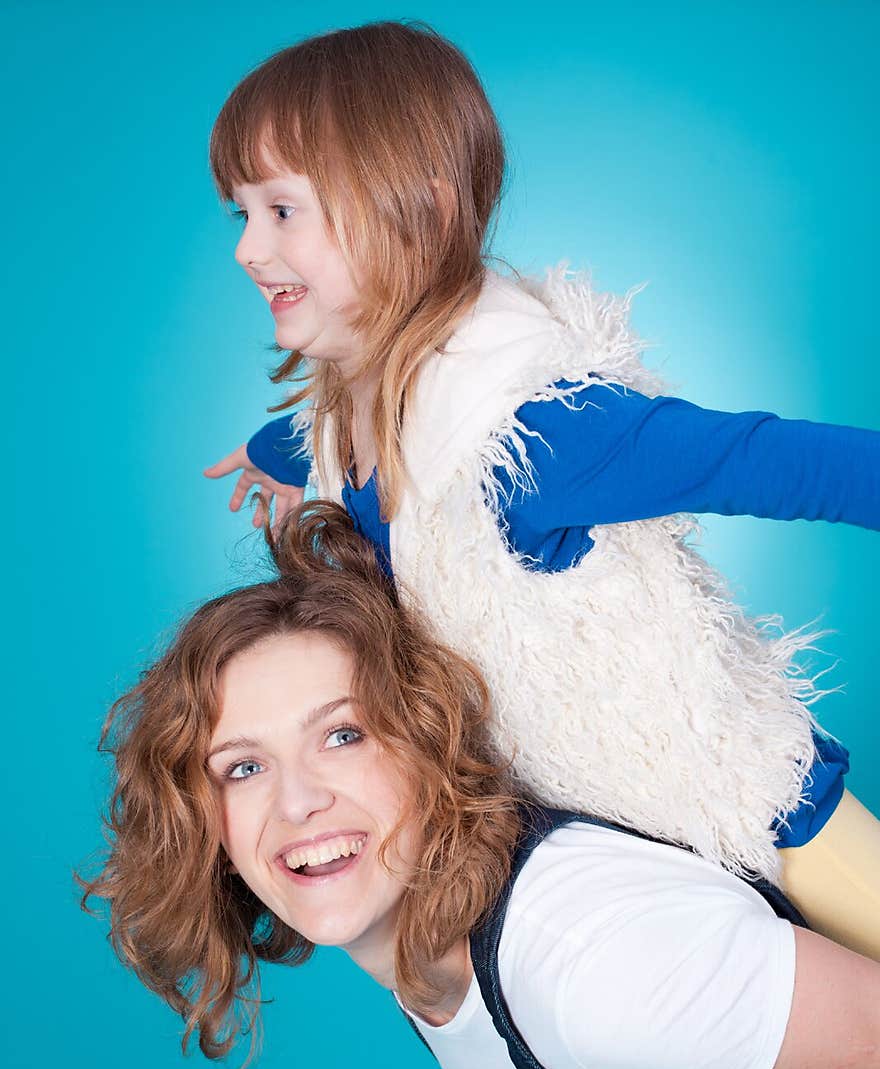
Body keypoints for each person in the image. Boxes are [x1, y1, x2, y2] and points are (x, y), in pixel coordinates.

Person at [83, 501, 880, 1069]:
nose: (297, 803)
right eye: (242, 768)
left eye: (345, 735)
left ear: (430, 739)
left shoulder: (593, 959)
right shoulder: (424, 941)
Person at [201, 21, 880, 962]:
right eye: (240, 213)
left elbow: (767, 459)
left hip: (753, 818)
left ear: (418, 213)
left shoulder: (537, 431)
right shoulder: (353, 405)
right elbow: (330, 435)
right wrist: (266, 448)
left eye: (281, 210)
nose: (246, 248)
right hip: (590, 832)